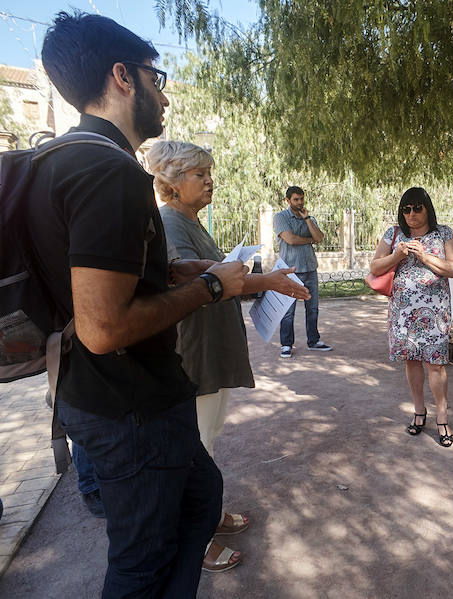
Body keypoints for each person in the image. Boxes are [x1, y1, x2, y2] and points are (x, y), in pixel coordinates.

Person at [27, 12, 250, 596]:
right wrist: (211, 287)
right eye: (158, 78)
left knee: (199, 498)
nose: (165, 96)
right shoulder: (110, 170)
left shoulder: (58, 160)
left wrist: (176, 271)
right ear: (123, 77)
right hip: (129, 406)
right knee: (142, 561)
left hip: (92, 392)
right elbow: (103, 327)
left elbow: (91, 280)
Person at [147, 140, 310, 572]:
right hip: (195, 349)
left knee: (209, 436)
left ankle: (209, 514)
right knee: (195, 444)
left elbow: (221, 277)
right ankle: (196, 540)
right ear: (173, 182)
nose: (209, 182)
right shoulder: (170, 223)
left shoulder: (189, 220)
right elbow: (203, 282)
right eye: (199, 174)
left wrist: (264, 278)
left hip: (210, 346)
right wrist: (269, 282)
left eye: (209, 173)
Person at [369, 187, 453, 447]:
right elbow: (374, 266)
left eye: (417, 208)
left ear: (427, 208)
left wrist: (424, 256)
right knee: (411, 361)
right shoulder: (393, 234)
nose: (411, 213)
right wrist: (397, 255)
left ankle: (442, 417)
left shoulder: (444, 233)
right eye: (406, 209)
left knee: (436, 364)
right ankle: (419, 411)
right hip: (403, 312)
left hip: (434, 312)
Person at [274, 186, 332, 356]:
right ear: (288, 201)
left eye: (301, 199)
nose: (299, 202)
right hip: (290, 271)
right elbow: (290, 239)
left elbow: (319, 238)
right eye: (296, 199)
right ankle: (286, 345)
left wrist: (306, 219)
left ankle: (313, 341)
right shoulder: (280, 217)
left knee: (312, 308)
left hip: (310, 269)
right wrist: (309, 240)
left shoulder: (309, 218)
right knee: (288, 311)